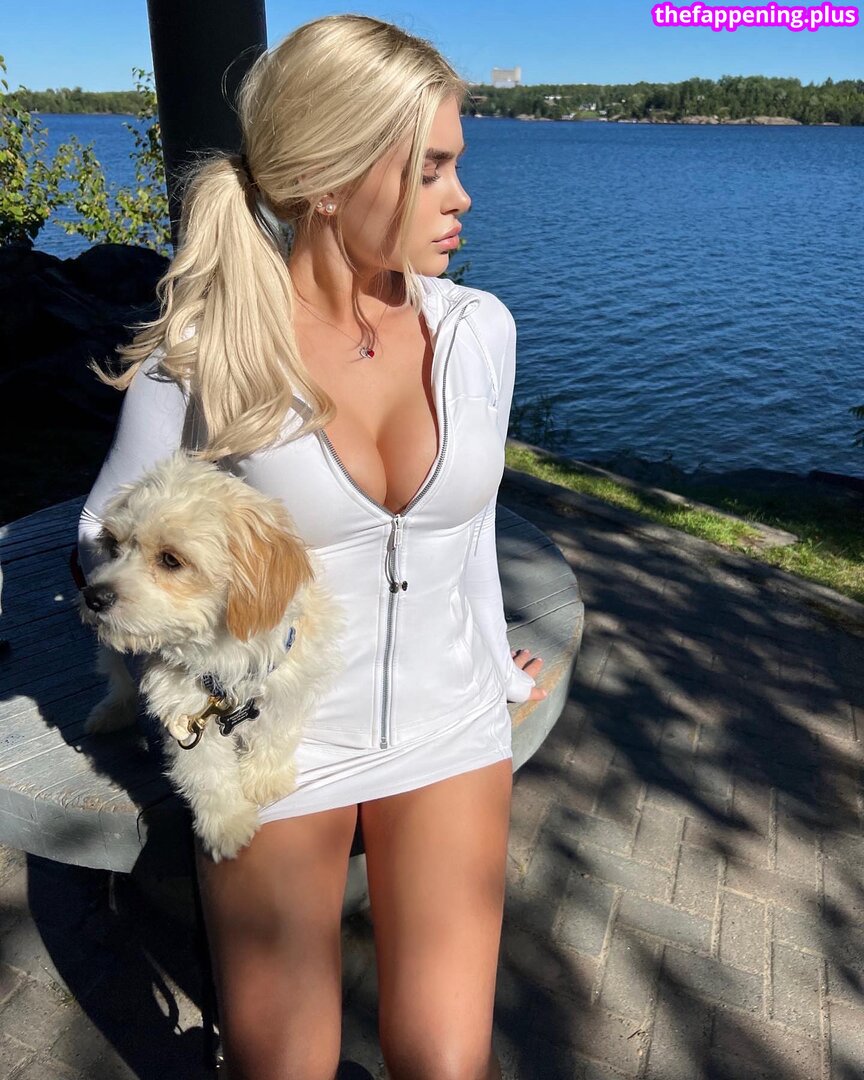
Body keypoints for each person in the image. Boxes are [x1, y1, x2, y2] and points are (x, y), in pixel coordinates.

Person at [78, 14, 546, 1080]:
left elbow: (468, 529)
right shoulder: (208, 354)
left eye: (457, 164)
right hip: (272, 744)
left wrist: (494, 656)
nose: (462, 198)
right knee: (283, 1067)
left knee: (447, 1063)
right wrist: (197, 682)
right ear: (331, 181)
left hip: (451, 721)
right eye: (430, 169)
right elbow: (103, 538)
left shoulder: (481, 331)